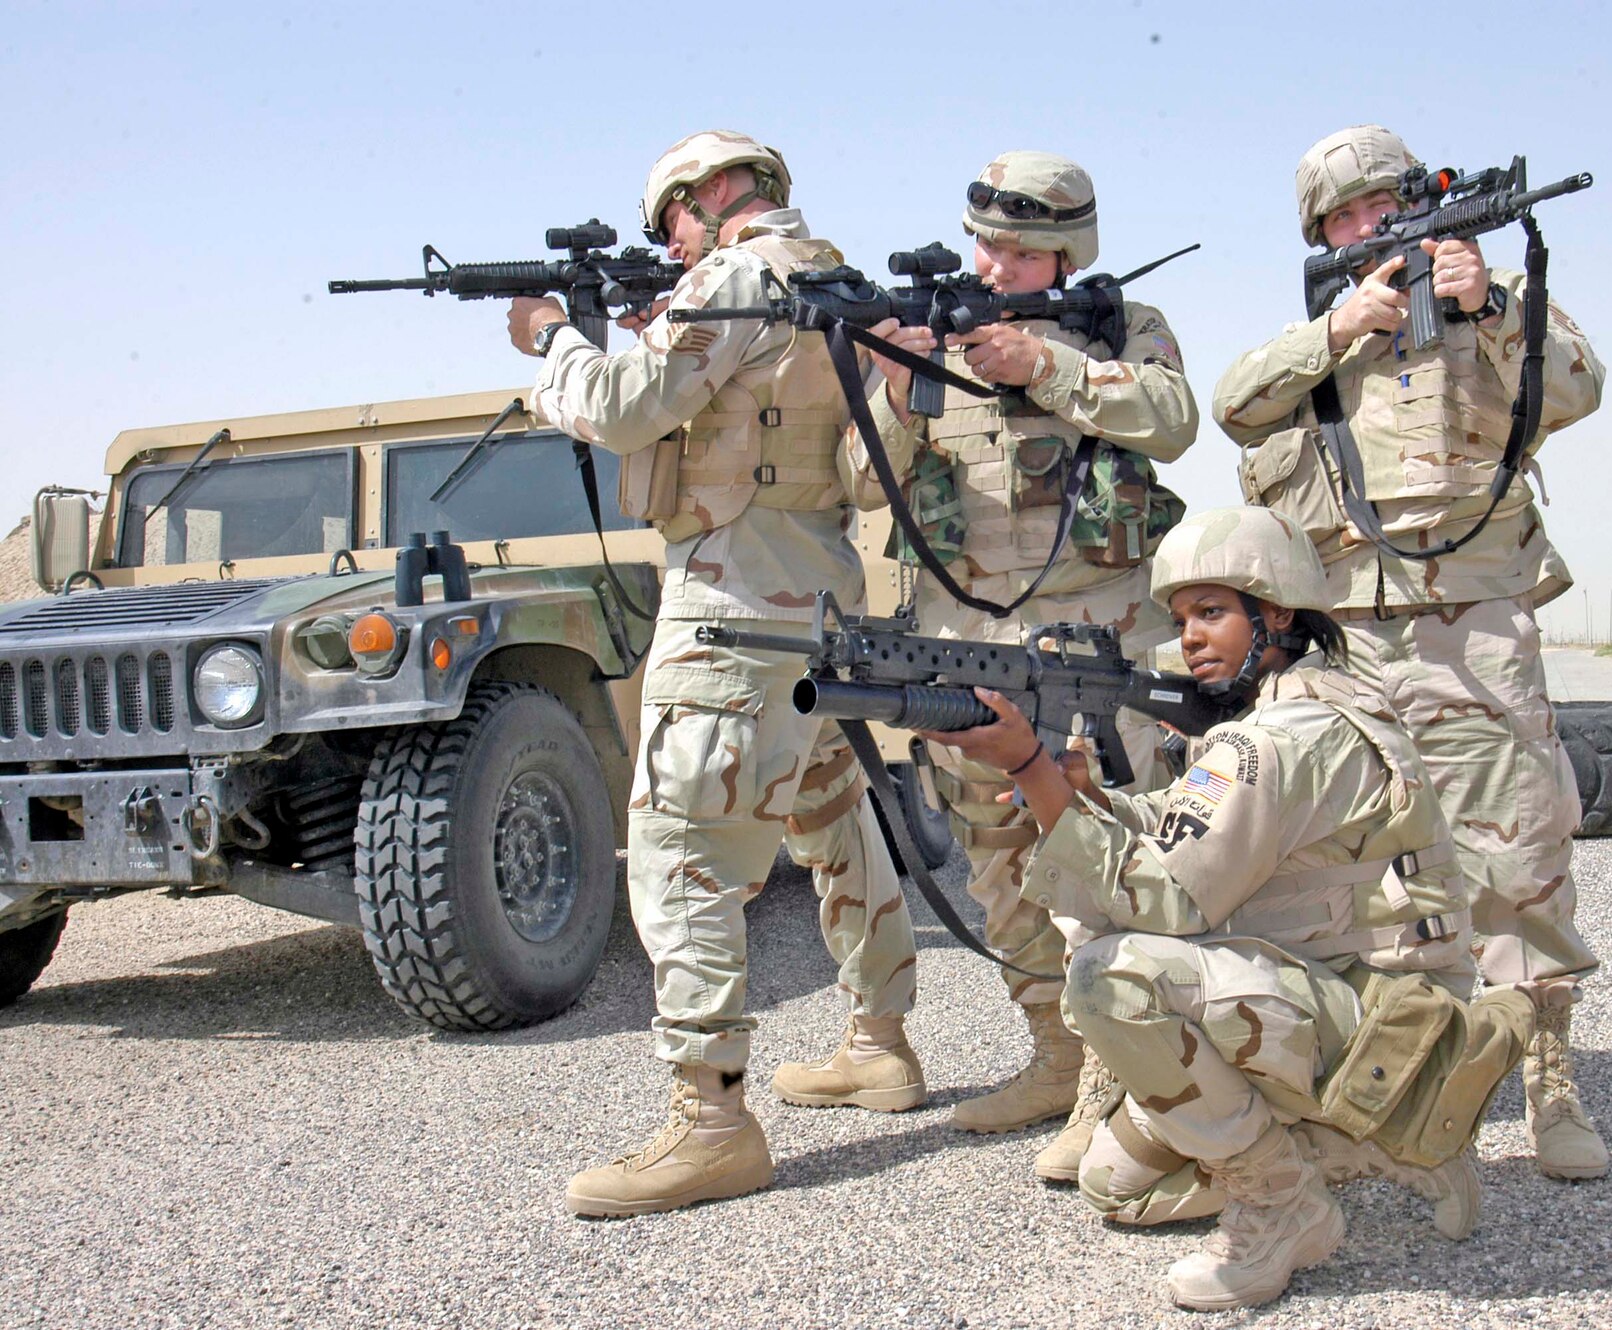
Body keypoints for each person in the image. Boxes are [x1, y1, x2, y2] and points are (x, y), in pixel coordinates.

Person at [917, 507, 1532, 1311]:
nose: (1191, 639)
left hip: (1381, 1023)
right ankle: (1375, 1147)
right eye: (1181, 620)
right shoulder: (1299, 711)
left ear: (1277, 614)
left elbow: (1166, 898)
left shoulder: (1280, 739)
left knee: (1113, 979)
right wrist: (1085, 797)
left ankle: (1284, 1202)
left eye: (1212, 613)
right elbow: (1179, 824)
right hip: (1350, 1005)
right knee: (1115, 1185)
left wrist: (1031, 769)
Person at [504, 130, 922, 1217]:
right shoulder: (828, 277)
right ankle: (879, 1042)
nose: (669, 242)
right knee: (832, 817)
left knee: (682, 849)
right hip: (820, 598)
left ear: (705, 196)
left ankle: (712, 1122)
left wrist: (551, 342)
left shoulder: (734, 278)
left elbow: (627, 407)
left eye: (667, 222)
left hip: (735, 609)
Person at [1212, 125, 1610, 1180]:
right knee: (1357, 866)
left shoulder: (1491, 313)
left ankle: (1544, 1076)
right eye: (1339, 220)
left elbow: (1576, 389)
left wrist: (1484, 306)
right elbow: (1231, 407)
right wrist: (1336, 331)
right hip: (1342, 631)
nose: (1363, 229)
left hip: (1469, 623)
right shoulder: (1324, 340)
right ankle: (1390, 1073)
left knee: (1516, 853)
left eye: (1377, 207)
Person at [836, 151, 1197, 1151]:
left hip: (1096, 642)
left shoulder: (1122, 327)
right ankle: (1057, 1058)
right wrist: (895, 382)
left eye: (1016, 248)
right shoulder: (928, 340)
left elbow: (1173, 421)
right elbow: (867, 487)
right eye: (981, 242)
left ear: (1064, 252)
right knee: (997, 863)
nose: (989, 262)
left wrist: (1041, 365)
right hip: (966, 651)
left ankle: (1138, 1080)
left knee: (1110, 852)